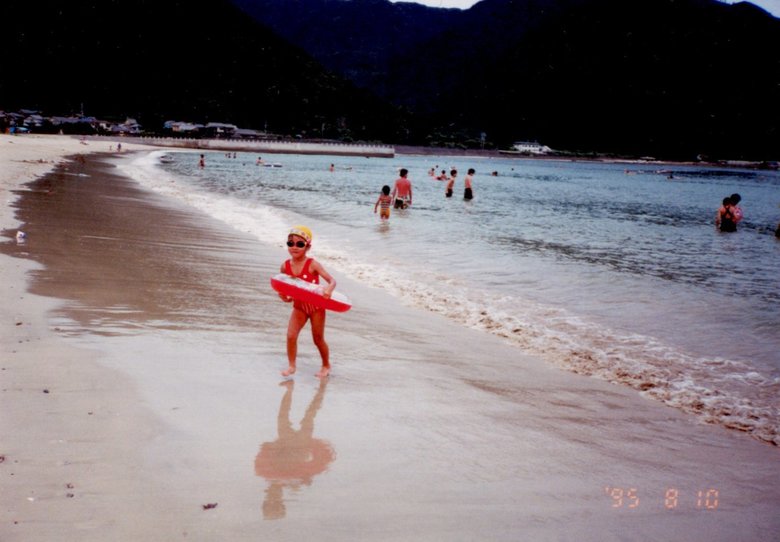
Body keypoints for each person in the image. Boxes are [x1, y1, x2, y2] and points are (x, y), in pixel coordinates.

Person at [278, 226, 336, 378]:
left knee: (318, 339)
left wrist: (329, 289)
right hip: (299, 307)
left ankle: (326, 365)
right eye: (291, 243)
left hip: (316, 307)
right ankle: (291, 366)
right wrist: (284, 297)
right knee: (291, 336)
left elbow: (332, 280)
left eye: (300, 244)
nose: (294, 247)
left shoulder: (312, 264)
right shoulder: (285, 266)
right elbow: (285, 290)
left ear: (308, 246)